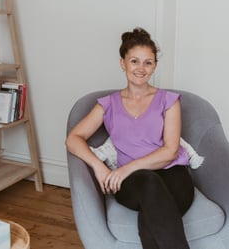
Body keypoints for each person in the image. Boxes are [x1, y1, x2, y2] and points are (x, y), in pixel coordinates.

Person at [65, 27, 194, 249]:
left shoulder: (169, 101)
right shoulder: (107, 104)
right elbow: (73, 138)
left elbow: (170, 151)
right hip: (132, 184)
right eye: (134, 61)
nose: (141, 68)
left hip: (173, 175)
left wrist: (125, 168)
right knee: (148, 183)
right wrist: (99, 167)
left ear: (155, 66)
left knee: (152, 216)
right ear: (122, 63)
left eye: (148, 62)